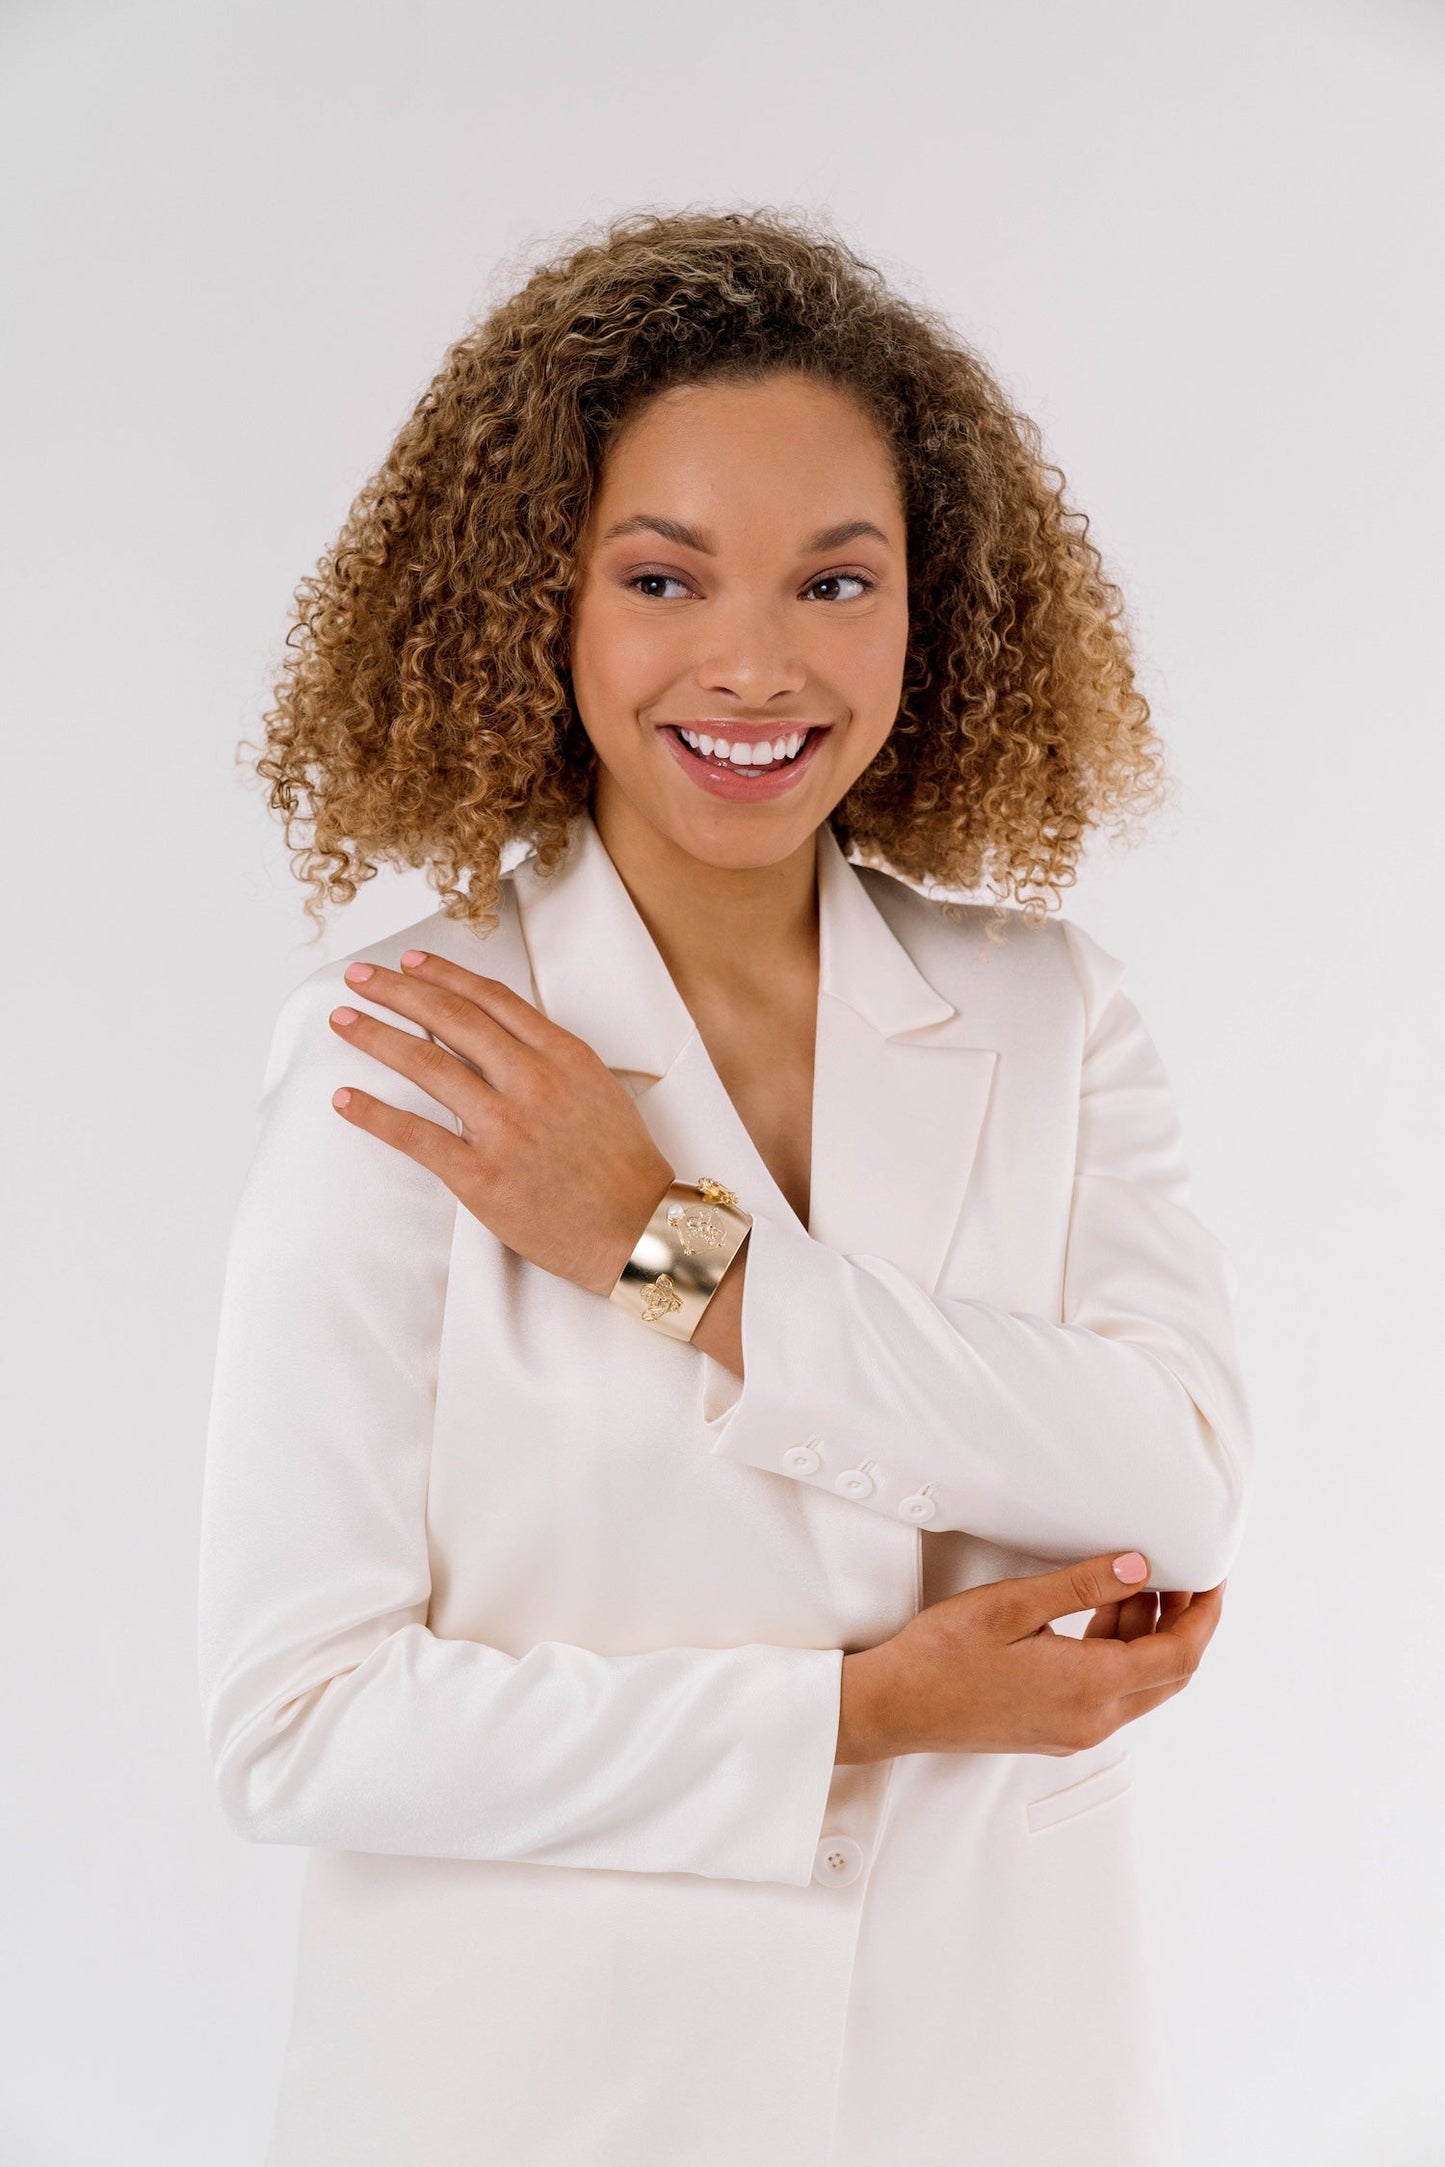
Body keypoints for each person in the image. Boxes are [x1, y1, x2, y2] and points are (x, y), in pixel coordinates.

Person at [198, 206, 1253, 2167]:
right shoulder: (411, 1045)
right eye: (664, 576)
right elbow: (300, 1721)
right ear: (546, 603)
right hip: (536, 2105)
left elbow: (1173, 1482)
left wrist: (675, 1257)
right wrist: (856, 1715)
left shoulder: (1047, 1016)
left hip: (986, 2091)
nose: (757, 663)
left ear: (934, 609)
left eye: (836, 581)